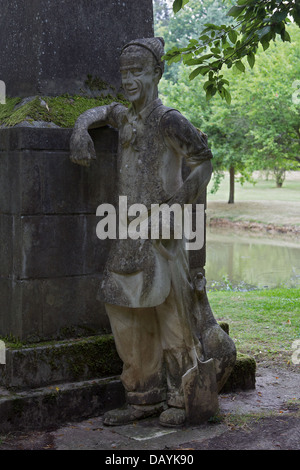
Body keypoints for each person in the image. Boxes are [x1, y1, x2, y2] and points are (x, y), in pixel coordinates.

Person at [70, 37, 220, 427]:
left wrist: (178, 203)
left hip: (162, 232)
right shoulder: (124, 116)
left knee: (173, 317)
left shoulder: (168, 118)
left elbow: (203, 160)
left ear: (156, 72)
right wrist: (80, 129)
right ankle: (142, 397)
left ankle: (181, 399)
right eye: (124, 72)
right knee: (125, 315)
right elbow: (98, 111)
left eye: (137, 71)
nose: (129, 79)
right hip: (126, 231)